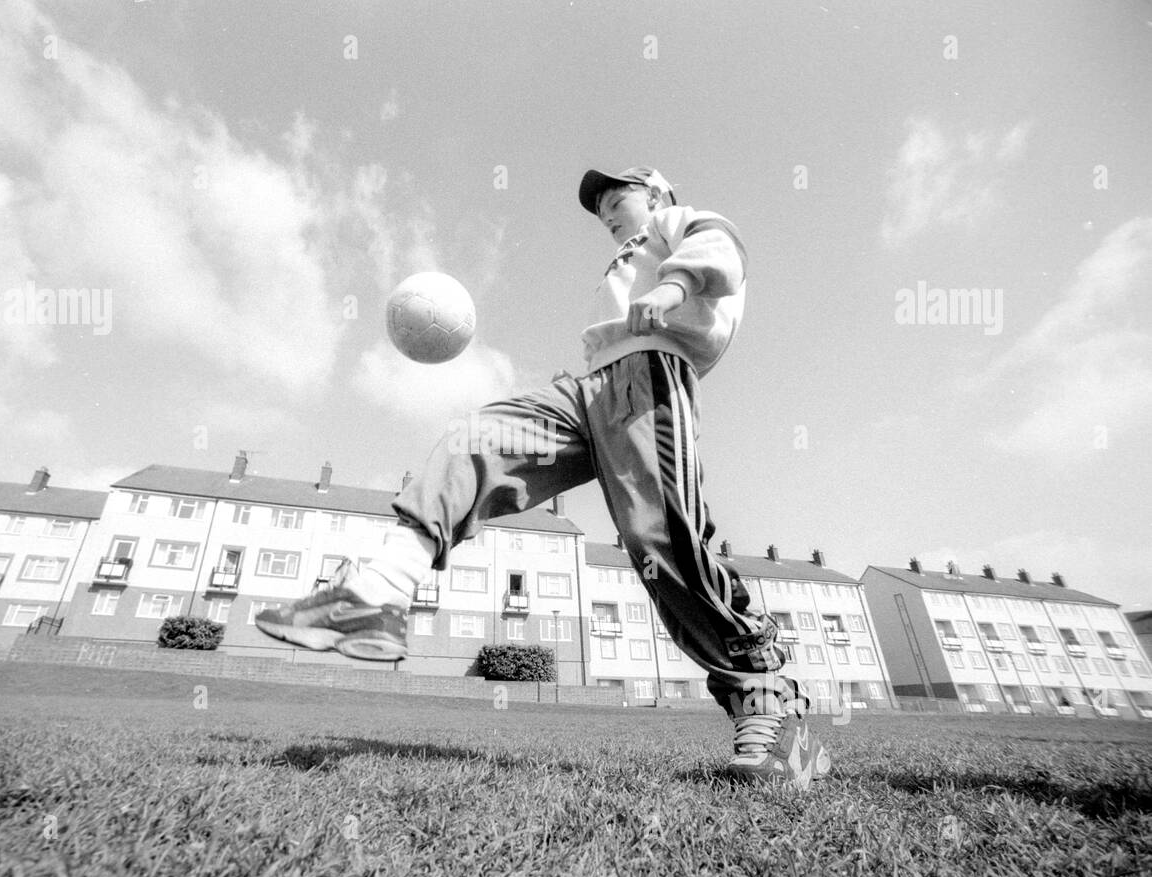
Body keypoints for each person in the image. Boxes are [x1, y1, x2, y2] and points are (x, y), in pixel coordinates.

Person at [256, 166, 831, 787]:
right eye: (601, 209)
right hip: (588, 388)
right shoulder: (623, 258)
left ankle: (763, 686)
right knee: (471, 442)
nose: (607, 215)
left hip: (651, 376)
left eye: (617, 199)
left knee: (655, 539)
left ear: (659, 194)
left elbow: (725, 248)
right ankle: (374, 594)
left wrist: (674, 287)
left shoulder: (674, 224)